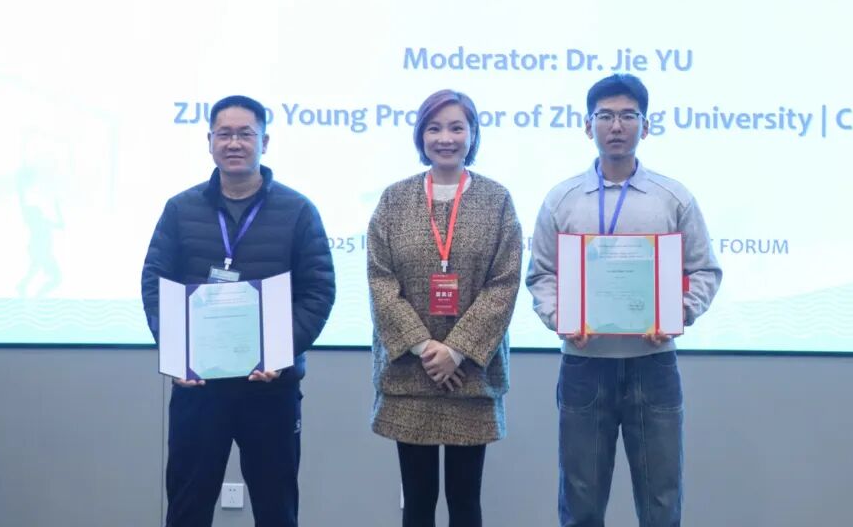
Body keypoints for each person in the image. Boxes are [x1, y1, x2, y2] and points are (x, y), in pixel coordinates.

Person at [526, 74, 722, 527]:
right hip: (584, 365)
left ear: (646, 127)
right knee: (581, 503)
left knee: (661, 503)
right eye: (606, 116)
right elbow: (541, 274)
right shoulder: (562, 199)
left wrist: (678, 314)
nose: (616, 126)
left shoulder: (673, 198)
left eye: (628, 116)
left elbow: (705, 271)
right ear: (587, 125)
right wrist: (560, 317)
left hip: (653, 364)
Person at [141, 95, 335, 527]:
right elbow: (156, 283)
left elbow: (318, 291)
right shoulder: (180, 209)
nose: (234, 143)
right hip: (199, 387)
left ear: (265, 141)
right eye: (224, 134)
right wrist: (176, 352)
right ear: (209, 141)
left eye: (245, 134)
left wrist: (277, 352)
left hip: (270, 387)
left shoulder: (298, 210)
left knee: (276, 508)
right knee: (187, 508)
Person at [368, 89, 522, 527]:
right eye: (434, 128)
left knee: (465, 502)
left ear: (472, 135)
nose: (446, 138)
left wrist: (456, 351)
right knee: (417, 503)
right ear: (421, 136)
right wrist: (425, 348)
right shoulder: (394, 200)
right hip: (411, 376)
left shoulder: (496, 200)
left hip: (469, 377)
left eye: (457, 127)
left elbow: (504, 282)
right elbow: (380, 280)